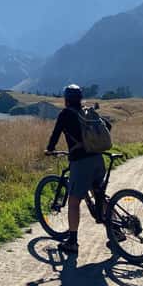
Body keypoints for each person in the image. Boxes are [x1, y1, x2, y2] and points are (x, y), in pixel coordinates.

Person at [44, 84, 111, 254]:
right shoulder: (87, 112)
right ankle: (116, 231)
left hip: (81, 162)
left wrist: (50, 149)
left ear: (66, 100)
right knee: (99, 194)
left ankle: (72, 242)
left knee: (73, 202)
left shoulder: (66, 114)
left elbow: (55, 134)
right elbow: (107, 127)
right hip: (98, 159)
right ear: (80, 99)